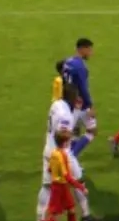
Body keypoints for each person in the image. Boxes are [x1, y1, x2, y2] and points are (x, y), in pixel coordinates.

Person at [38, 84, 82, 221]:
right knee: (78, 179)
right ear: (72, 97)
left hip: (48, 150)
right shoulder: (65, 115)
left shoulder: (56, 104)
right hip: (60, 155)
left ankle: (40, 218)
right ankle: (86, 214)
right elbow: (64, 135)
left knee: (46, 187)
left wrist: (76, 111)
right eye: (76, 96)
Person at [62, 38, 97, 158]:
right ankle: (71, 158)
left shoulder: (67, 62)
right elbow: (83, 88)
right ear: (83, 49)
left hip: (68, 103)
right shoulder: (80, 67)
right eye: (89, 50)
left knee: (75, 133)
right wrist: (90, 106)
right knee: (92, 131)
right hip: (79, 104)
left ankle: (71, 157)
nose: (91, 53)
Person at [44, 129, 86, 221]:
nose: (70, 142)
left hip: (61, 186)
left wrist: (56, 174)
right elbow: (67, 176)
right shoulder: (62, 155)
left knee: (71, 209)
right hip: (59, 188)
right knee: (54, 214)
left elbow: (49, 169)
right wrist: (81, 187)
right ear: (65, 143)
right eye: (69, 141)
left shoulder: (54, 153)